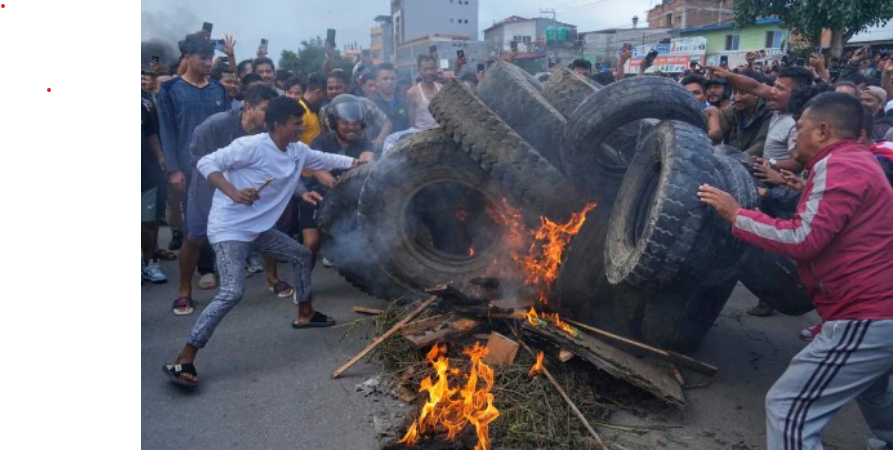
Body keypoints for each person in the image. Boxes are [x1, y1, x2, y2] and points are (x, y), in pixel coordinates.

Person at [698, 93, 893, 450]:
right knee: (874, 390)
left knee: (788, 407)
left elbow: (803, 239)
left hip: (866, 316)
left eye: (799, 128)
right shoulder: (854, 162)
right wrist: (803, 189)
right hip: (879, 313)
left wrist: (735, 214)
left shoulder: (840, 166)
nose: (794, 137)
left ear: (822, 131)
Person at [163, 97, 364, 388]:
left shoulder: (296, 150)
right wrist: (233, 192)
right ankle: (184, 357)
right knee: (232, 291)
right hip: (230, 229)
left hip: (258, 230)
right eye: (296, 125)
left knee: (300, 254)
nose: (301, 130)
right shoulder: (252, 146)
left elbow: (324, 160)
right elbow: (207, 162)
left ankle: (305, 313)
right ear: (278, 125)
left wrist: (356, 162)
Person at [408, 55, 442, 131]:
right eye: (425, 69)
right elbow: (411, 123)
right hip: (422, 136)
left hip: (442, 135)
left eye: (432, 68)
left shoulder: (442, 89)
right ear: (419, 70)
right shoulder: (413, 92)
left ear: (436, 69)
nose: (429, 72)